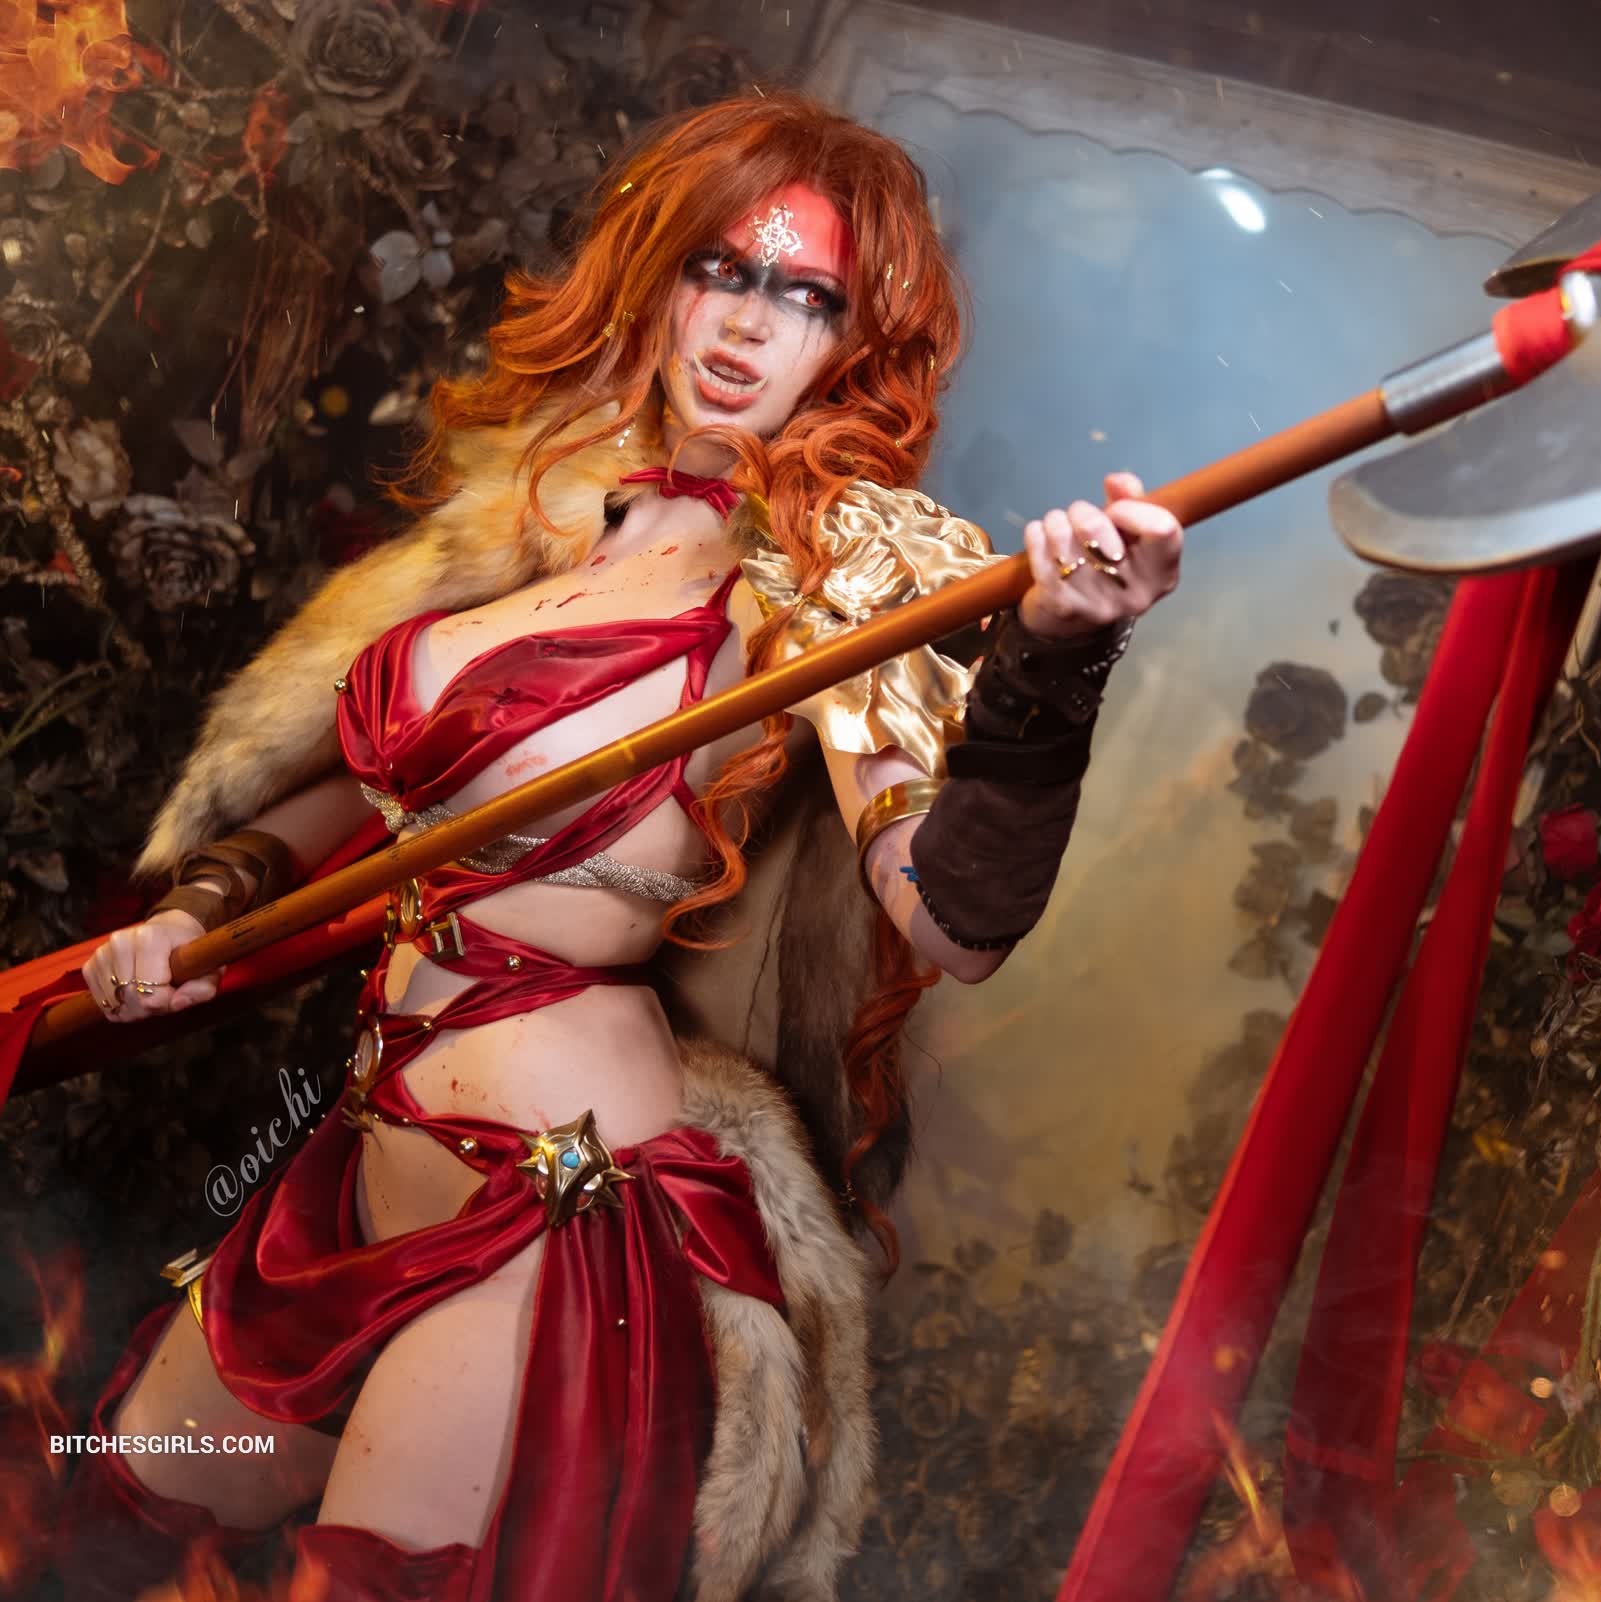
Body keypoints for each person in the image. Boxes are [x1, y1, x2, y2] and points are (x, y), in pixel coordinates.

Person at [53, 92, 1183, 1602]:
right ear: (657, 275)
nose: (749, 324)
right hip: (362, 1151)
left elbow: (951, 920)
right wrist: (200, 904)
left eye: (808, 297)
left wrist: (1057, 662)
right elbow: (377, 795)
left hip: (548, 1201)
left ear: (855, 343)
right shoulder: (532, 512)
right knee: (104, 1504)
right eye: (725, 269)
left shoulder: (830, 579)